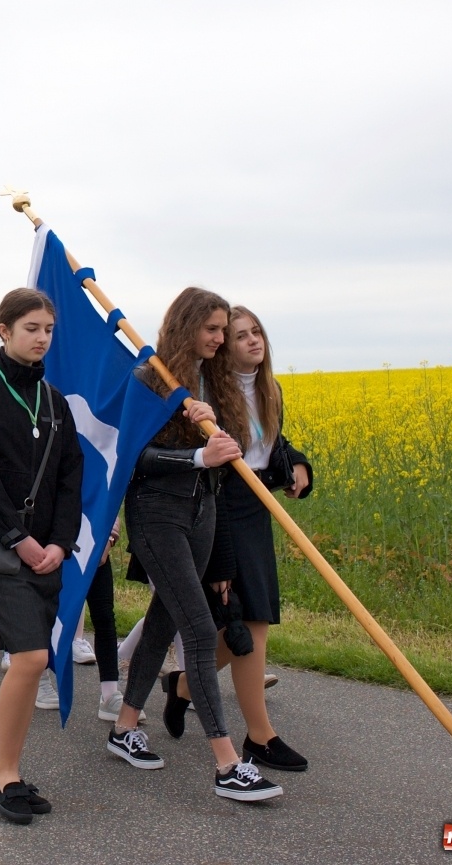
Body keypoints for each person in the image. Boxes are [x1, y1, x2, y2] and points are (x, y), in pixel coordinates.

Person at [105, 287, 283, 803]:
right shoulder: (151, 377)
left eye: (224, 329)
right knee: (201, 631)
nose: (221, 338)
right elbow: (132, 457)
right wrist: (196, 457)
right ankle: (228, 764)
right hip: (157, 515)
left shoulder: (217, 381)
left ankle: (124, 727)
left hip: (203, 513)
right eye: (212, 328)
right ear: (187, 326)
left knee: (164, 619)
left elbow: (236, 457)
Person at [163, 305, 314, 773]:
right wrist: (222, 559)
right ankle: (259, 736)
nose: (252, 340)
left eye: (256, 332)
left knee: (249, 624)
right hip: (222, 508)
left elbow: (270, 444)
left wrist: (299, 463)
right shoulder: (210, 395)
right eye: (240, 335)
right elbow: (220, 468)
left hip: (257, 509)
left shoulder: (271, 389)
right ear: (224, 349)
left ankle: (183, 686)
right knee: (251, 622)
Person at [0, 288, 85, 823]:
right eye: (31, 328)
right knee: (30, 657)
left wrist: (59, 542)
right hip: (2, 552)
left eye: (48, 329)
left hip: (46, 552)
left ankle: (11, 767)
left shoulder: (54, 401)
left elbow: (71, 475)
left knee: (33, 665)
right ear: (4, 330)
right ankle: (4, 772)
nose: (42, 338)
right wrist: (20, 538)